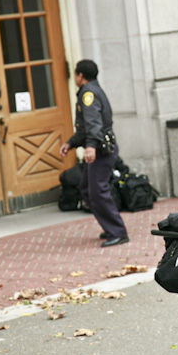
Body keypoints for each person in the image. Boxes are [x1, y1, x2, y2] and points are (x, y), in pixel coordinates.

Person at [60, 59, 129, 247]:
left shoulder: (88, 93)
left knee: (98, 191)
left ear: (80, 75)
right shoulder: (93, 89)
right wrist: (71, 143)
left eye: (75, 74)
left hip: (101, 151)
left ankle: (118, 232)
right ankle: (110, 227)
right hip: (101, 148)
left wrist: (90, 146)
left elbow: (93, 123)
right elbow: (85, 128)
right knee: (86, 188)